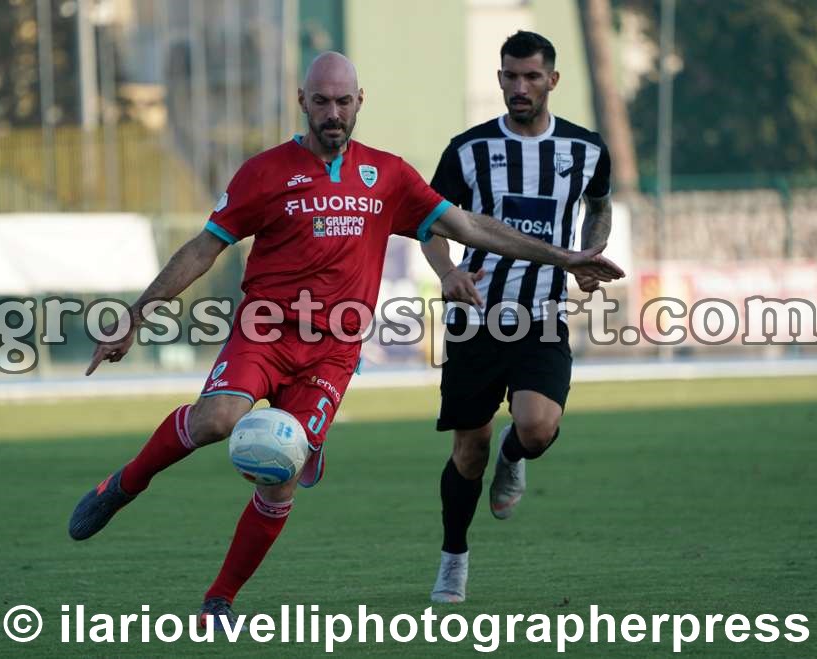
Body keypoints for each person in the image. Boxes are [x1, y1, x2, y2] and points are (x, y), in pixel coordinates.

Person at [67, 52, 625, 627]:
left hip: (332, 353)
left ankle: (220, 600)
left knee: (279, 473)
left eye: (342, 102)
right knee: (216, 421)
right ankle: (125, 484)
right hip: (266, 331)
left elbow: (470, 226)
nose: (332, 114)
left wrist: (564, 257)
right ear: (302, 102)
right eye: (321, 102)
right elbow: (204, 248)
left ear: (360, 102)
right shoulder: (264, 173)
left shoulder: (388, 175)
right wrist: (136, 315)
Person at [422, 31, 614, 603]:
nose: (519, 87)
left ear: (552, 80)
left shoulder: (586, 149)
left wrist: (588, 254)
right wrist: (447, 272)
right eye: (510, 76)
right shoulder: (468, 150)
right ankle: (454, 557)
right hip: (476, 316)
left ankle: (515, 453)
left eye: (531, 76)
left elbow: (599, 205)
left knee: (537, 427)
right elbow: (428, 224)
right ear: (500, 78)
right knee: (468, 451)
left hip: (543, 316)